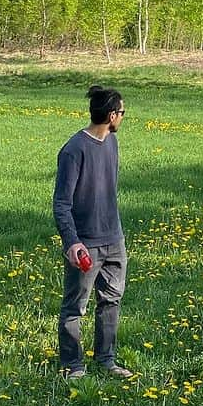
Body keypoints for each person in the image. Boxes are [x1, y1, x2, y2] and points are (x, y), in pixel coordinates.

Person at [53, 85, 132, 379]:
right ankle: (72, 365)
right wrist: (72, 242)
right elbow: (61, 204)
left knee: (111, 300)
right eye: (122, 113)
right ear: (111, 115)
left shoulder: (111, 142)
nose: (122, 118)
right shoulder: (74, 150)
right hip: (86, 245)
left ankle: (106, 360)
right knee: (75, 307)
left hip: (114, 239)